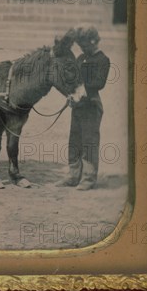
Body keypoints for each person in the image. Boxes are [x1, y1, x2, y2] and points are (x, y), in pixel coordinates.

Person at [57, 26, 111, 190]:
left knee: (89, 141)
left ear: (94, 41)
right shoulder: (80, 58)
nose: (82, 48)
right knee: (74, 140)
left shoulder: (103, 60)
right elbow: (73, 78)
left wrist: (81, 90)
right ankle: (73, 176)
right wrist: (70, 93)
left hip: (92, 105)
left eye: (85, 45)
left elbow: (99, 83)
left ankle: (88, 178)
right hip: (78, 105)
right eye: (80, 46)